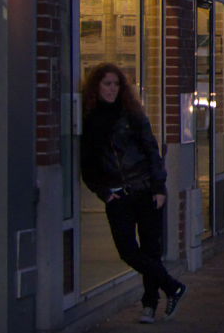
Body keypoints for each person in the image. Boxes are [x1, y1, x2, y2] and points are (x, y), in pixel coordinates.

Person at [80, 63, 186, 324]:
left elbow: (152, 151)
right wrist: (103, 193)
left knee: (151, 251)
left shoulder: (131, 114)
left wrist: (159, 188)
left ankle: (149, 305)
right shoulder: (89, 120)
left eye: (116, 84)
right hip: (117, 195)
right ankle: (173, 287)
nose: (112, 89)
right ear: (96, 86)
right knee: (127, 250)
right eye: (106, 84)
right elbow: (88, 165)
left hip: (145, 191)